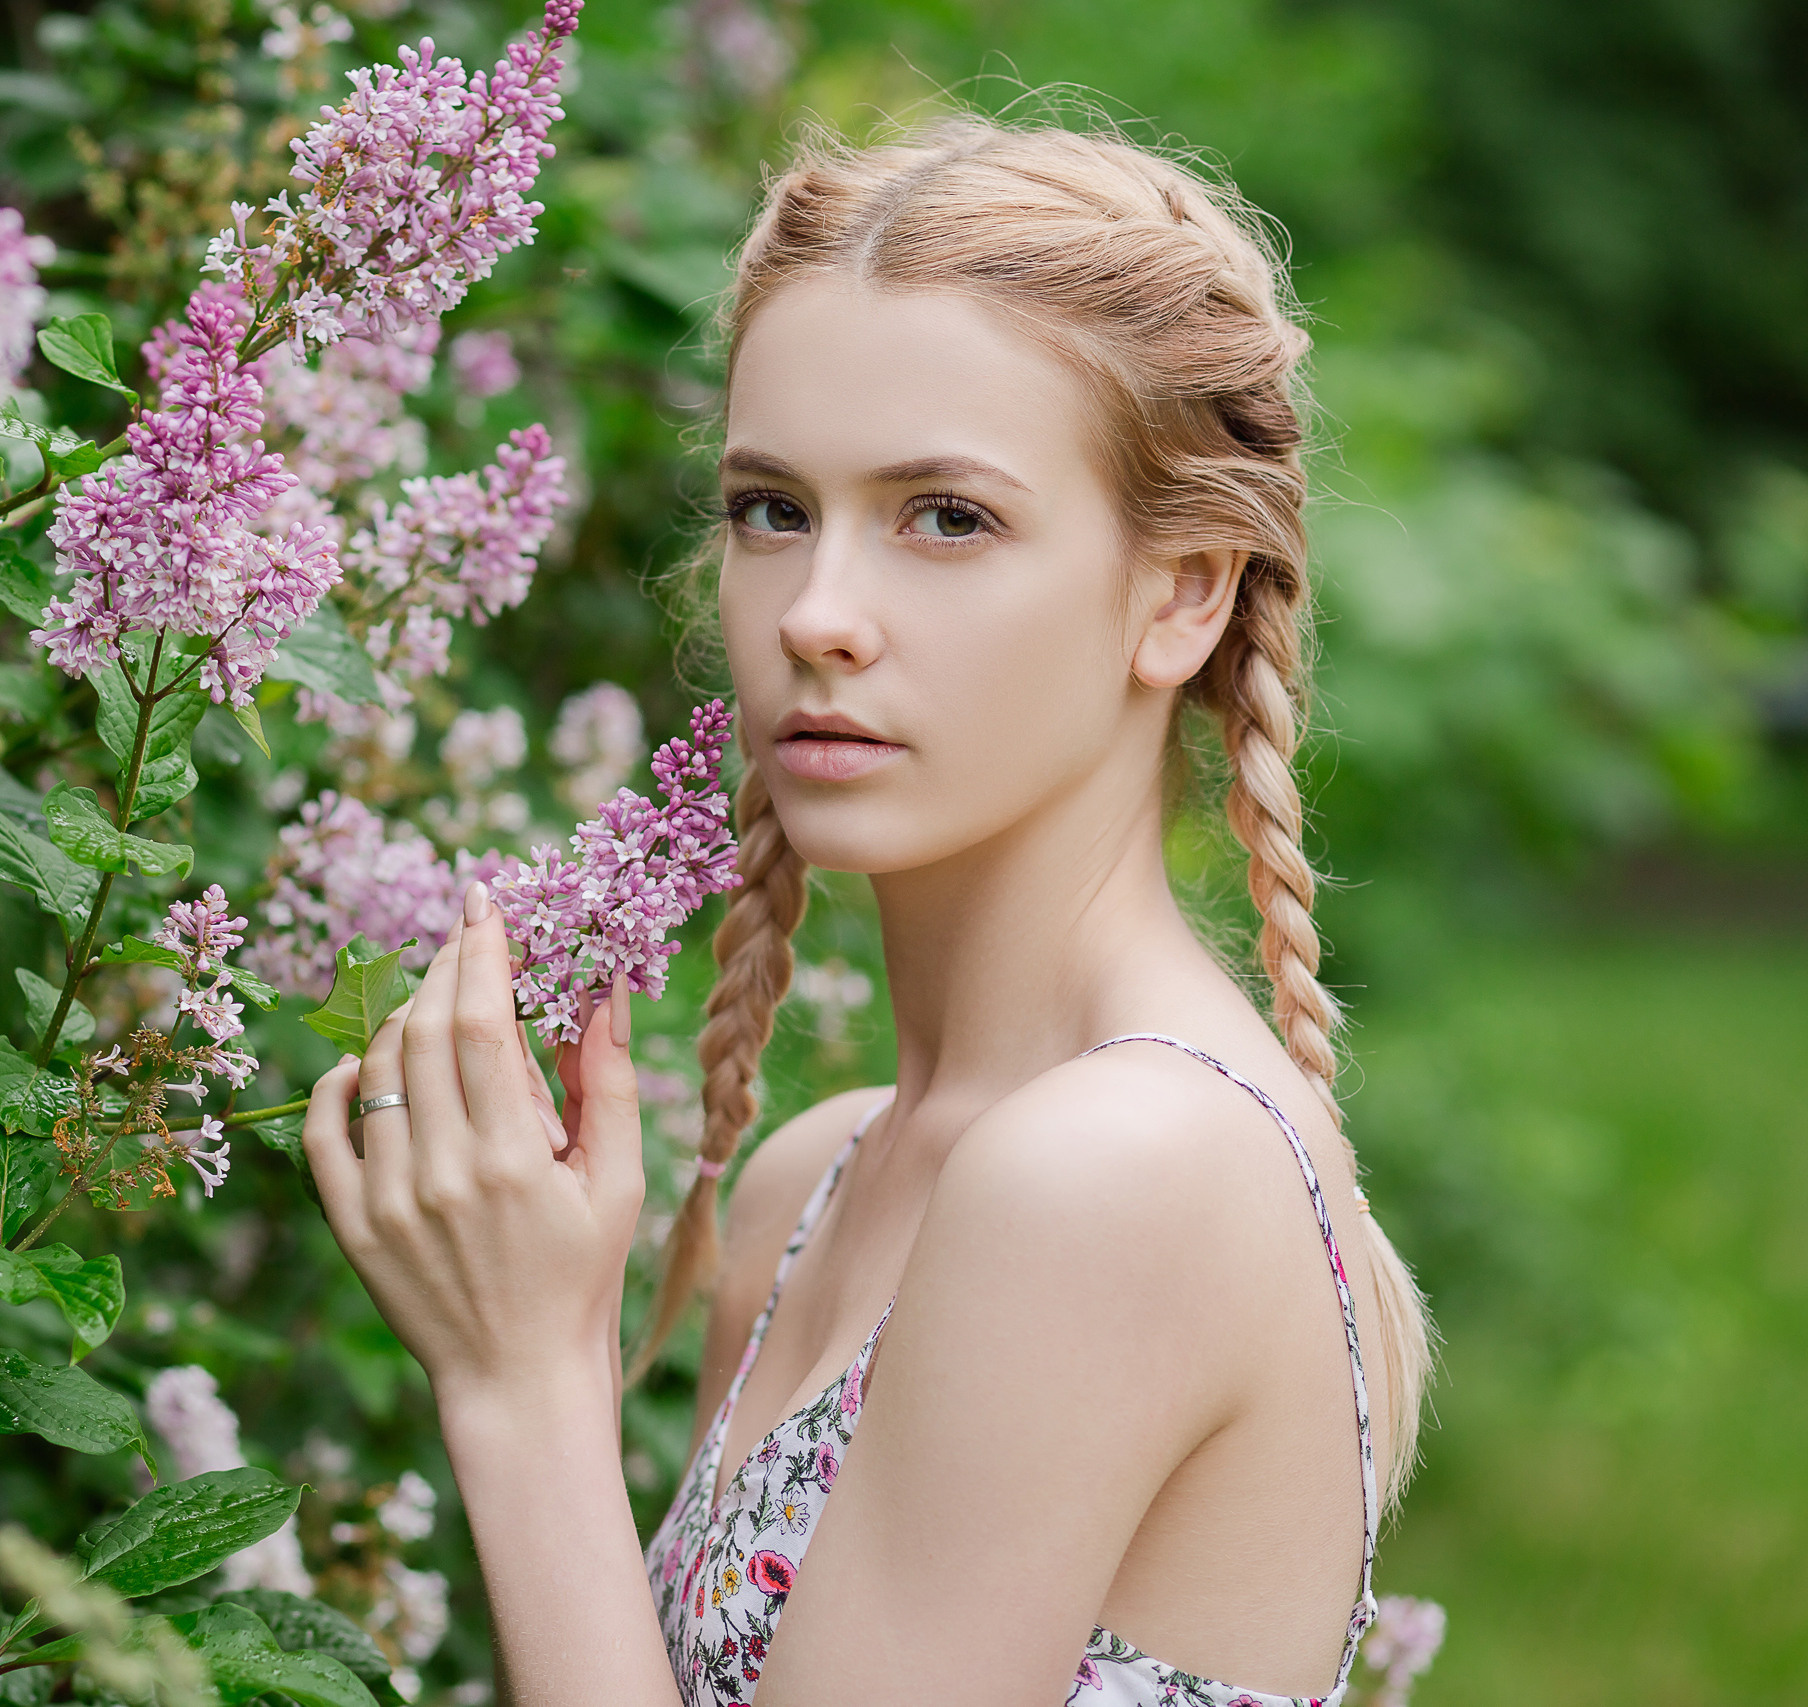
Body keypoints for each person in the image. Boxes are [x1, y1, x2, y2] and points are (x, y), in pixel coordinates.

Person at [301, 113, 1435, 1707]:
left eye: (947, 516)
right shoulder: (812, 1183)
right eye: (772, 510)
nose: (817, 617)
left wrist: (525, 1387)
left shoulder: (1119, 1169)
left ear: (1184, 589)